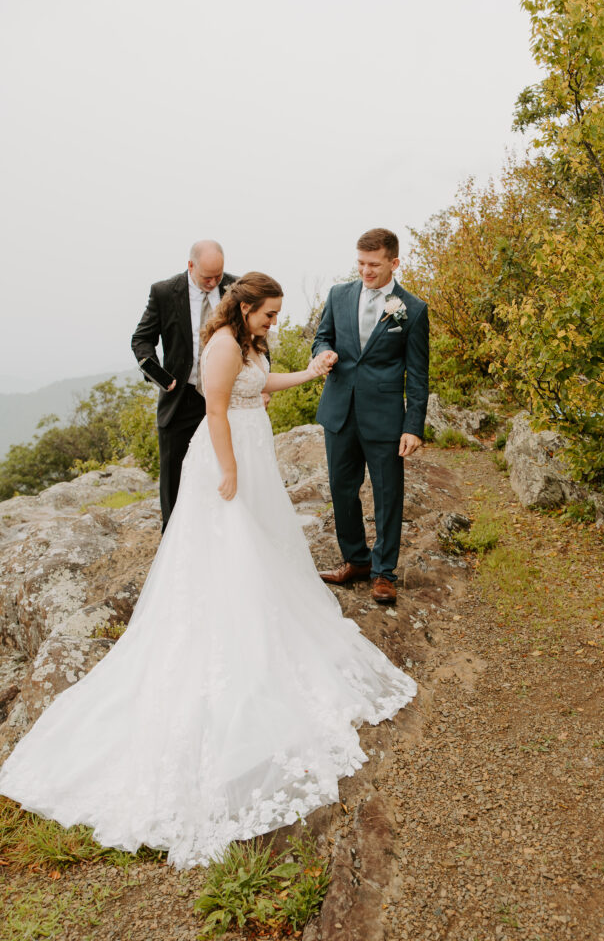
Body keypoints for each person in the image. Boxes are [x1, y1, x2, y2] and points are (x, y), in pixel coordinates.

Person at [0, 273, 416, 870]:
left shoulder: (247, 344)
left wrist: (306, 374)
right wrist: (228, 472)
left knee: (263, 549)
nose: (273, 324)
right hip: (227, 454)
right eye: (269, 316)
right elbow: (217, 411)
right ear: (244, 308)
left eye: (275, 317)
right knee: (233, 547)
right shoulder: (220, 344)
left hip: (251, 445)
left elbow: (258, 386)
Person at [313, 228, 429, 605]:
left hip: (384, 417)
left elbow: (418, 374)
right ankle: (356, 560)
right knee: (342, 490)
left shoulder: (412, 308)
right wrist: (323, 353)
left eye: (374, 265)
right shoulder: (338, 295)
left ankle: (384, 573)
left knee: (388, 495)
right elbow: (322, 337)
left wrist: (413, 426)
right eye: (360, 263)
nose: (365, 271)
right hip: (340, 411)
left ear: (394, 263)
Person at [131, 239, 237, 531]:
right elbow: (141, 340)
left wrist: (260, 384)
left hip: (226, 395)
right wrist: (161, 378)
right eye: (207, 277)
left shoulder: (237, 288)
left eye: (218, 276)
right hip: (181, 394)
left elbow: (253, 338)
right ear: (190, 266)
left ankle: (221, 530)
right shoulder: (164, 292)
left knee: (224, 465)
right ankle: (173, 537)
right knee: (174, 470)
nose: (214, 282)